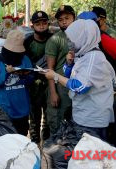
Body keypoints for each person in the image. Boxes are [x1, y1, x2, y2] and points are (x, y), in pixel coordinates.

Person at [43, 19, 116, 140]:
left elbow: (80, 87)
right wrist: (69, 63)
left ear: (84, 38)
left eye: (72, 39)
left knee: (91, 155)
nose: (70, 42)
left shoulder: (94, 59)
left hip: (92, 120)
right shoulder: (84, 54)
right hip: (83, 113)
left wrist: (55, 76)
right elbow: (70, 75)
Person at [0, 30, 33, 136]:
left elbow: (31, 79)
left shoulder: (25, 59)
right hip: (6, 109)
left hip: (23, 108)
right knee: (7, 141)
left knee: (21, 138)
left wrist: (23, 75)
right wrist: (6, 73)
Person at [44, 5, 75, 135]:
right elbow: (49, 70)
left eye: (67, 18)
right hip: (60, 87)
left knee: (74, 125)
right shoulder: (54, 40)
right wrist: (53, 93)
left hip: (77, 86)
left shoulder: (82, 36)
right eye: (60, 19)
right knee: (57, 125)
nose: (63, 21)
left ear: (74, 18)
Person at [23, 11, 52, 144]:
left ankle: (47, 147)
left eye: (44, 23)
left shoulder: (54, 39)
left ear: (48, 24)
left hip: (50, 84)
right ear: (32, 26)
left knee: (48, 118)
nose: (41, 26)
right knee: (34, 118)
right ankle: (34, 145)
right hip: (32, 85)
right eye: (38, 23)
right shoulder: (27, 42)